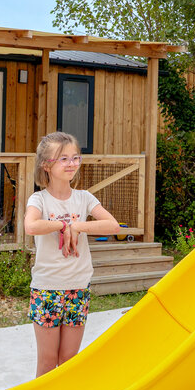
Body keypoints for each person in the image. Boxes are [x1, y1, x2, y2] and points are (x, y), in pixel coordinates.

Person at [23, 131, 122, 377]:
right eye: (63, 159)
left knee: (69, 361)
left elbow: (113, 225)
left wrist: (77, 226)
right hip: (47, 290)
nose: (71, 164)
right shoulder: (39, 200)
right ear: (47, 165)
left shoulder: (84, 198)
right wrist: (61, 226)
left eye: (75, 158)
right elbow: (31, 226)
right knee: (47, 362)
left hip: (78, 288)